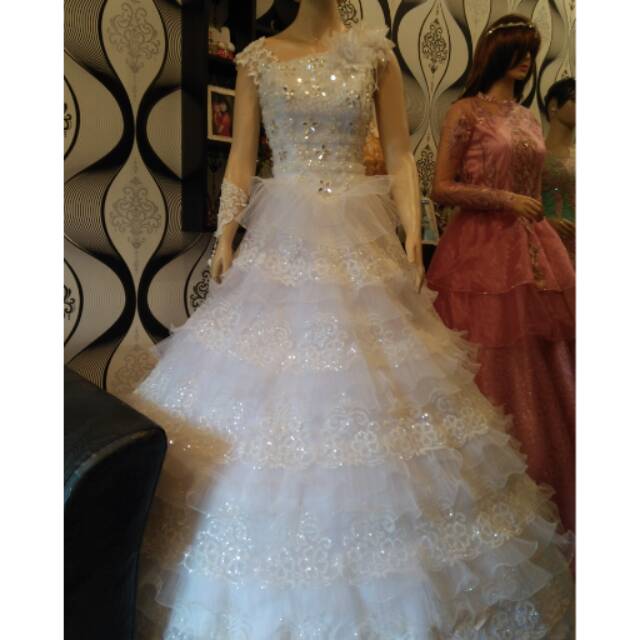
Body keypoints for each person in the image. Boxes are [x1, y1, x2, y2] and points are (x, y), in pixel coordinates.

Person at [129, 3, 574, 638]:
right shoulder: (257, 61)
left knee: (383, 394)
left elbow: (399, 155)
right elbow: (242, 158)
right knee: (267, 394)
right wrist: (226, 233)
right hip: (283, 236)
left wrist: (413, 237)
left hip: (362, 240)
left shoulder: (376, 55)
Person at [427, 15, 576, 533]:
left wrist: (537, 212)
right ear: (496, 54)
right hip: (477, 250)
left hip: (532, 248)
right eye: (519, 49)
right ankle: (481, 492)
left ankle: (546, 486)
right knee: (486, 352)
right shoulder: (464, 111)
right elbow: (440, 188)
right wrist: (504, 199)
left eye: (532, 50)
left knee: (541, 358)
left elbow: (533, 186)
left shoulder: (530, 117)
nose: (528, 59)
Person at [542, 78, 576, 265]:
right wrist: (546, 223)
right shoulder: (533, 154)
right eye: (575, 99)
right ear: (554, 106)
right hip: (545, 245)